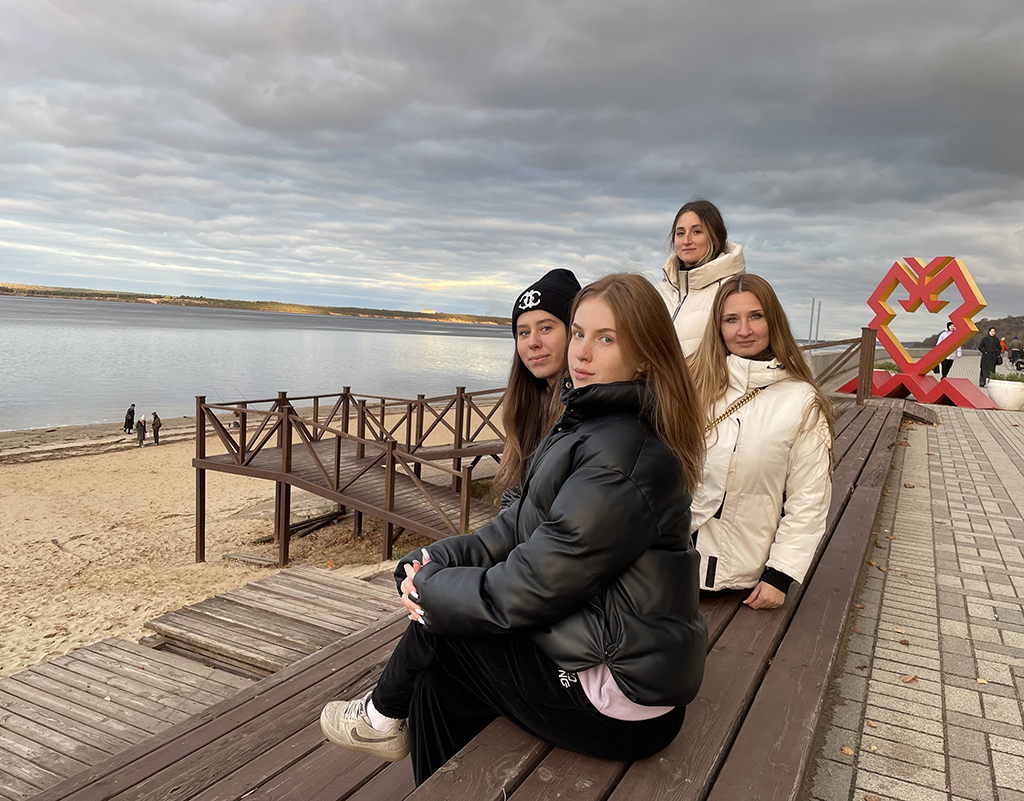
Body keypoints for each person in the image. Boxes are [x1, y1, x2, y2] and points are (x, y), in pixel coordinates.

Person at [320, 274, 708, 786]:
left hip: (624, 696)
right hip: (597, 642)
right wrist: (437, 560)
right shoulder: (592, 426)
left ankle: (380, 715)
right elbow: (518, 527)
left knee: (446, 630)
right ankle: (408, 751)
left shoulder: (624, 457)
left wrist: (432, 592)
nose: (581, 351)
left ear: (644, 357)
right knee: (438, 683)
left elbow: (536, 583)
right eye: (580, 332)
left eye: (606, 338)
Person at [687, 274, 834, 610]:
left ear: (773, 320)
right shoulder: (694, 385)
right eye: (731, 319)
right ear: (717, 327)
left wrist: (780, 575)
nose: (744, 330)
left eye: (755, 316)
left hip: (740, 581)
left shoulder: (801, 401)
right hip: (664, 570)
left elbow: (809, 496)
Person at [493, 269, 580, 509]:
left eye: (545, 328)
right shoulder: (529, 407)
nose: (533, 342)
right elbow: (513, 496)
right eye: (524, 332)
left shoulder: (587, 413)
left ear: (574, 334)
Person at [656, 199, 746, 357]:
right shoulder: (660, 291)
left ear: (715, 236)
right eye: (680, 233)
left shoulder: (731, 290)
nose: (686, 241)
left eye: (696, 232)